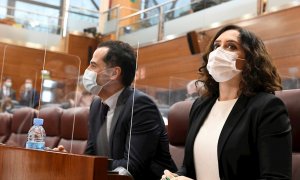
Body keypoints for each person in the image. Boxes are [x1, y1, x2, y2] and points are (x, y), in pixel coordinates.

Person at [162, 25, 292, 180]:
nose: (218, 52)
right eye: (216, 46)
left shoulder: (267, 108)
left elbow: (276, 178)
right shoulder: (200, 105)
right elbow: (189, 168)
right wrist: (176, 177)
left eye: (231, 46)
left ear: (249, 60)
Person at [80, 40, 177, 179]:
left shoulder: (140, 105)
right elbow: (90, 154)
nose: (87, 70)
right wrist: (71, 158)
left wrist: (91, 163)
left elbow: (132, 166)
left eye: (93, 65)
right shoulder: (96, 104)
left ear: (114, 73)